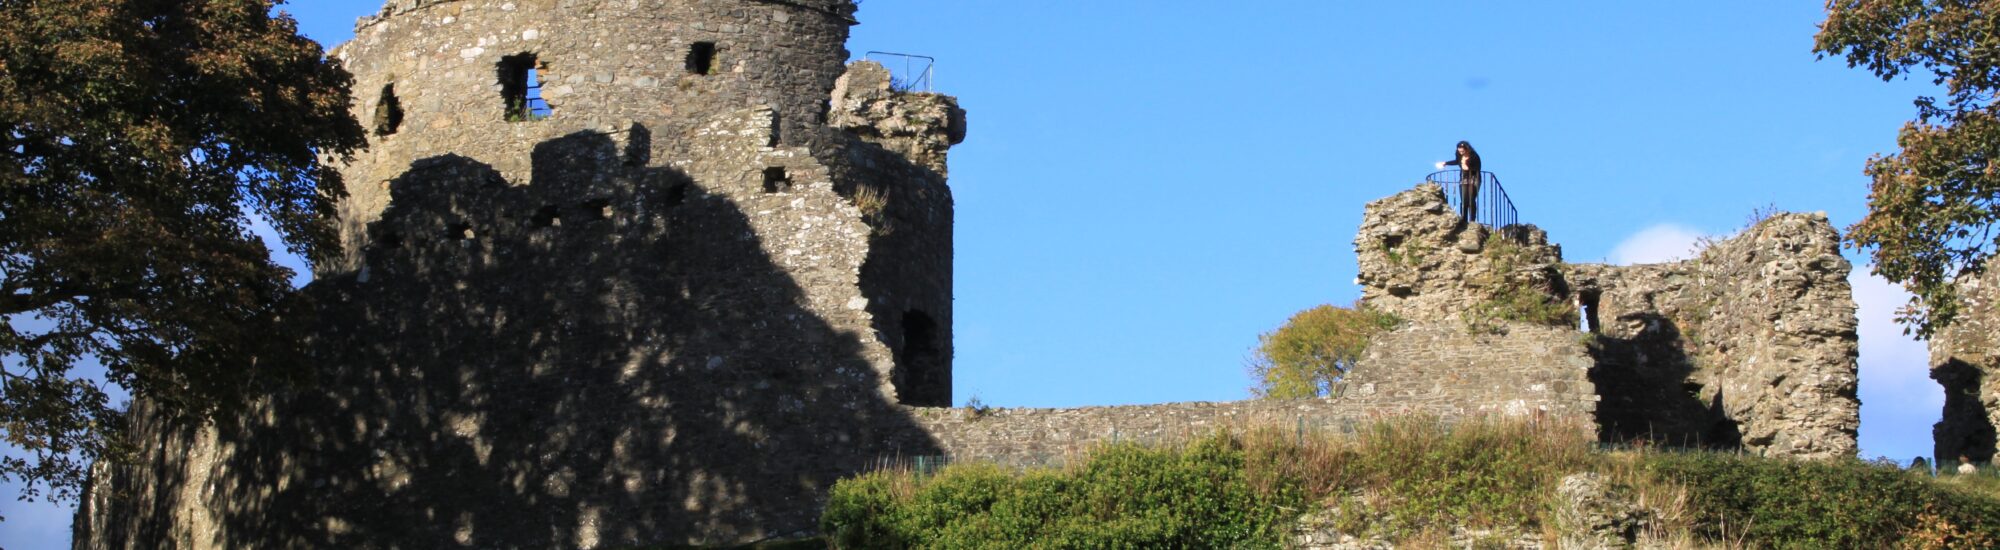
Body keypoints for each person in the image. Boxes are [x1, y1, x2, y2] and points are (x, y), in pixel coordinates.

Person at [1435, 141, 1482, 223]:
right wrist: (1446, 163)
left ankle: (1472, 220)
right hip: (1463, 179)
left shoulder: (1474, 156)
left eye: (1462, 151)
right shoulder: (1459, 154)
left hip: (1474, 179)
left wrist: (1466, 166)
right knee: (1464, 200)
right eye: (1459, 151)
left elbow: (1477, 168)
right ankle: (1463, 219)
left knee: (1471, 199)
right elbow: (1457, 161)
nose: (1461, 153)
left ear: (1467, 149)